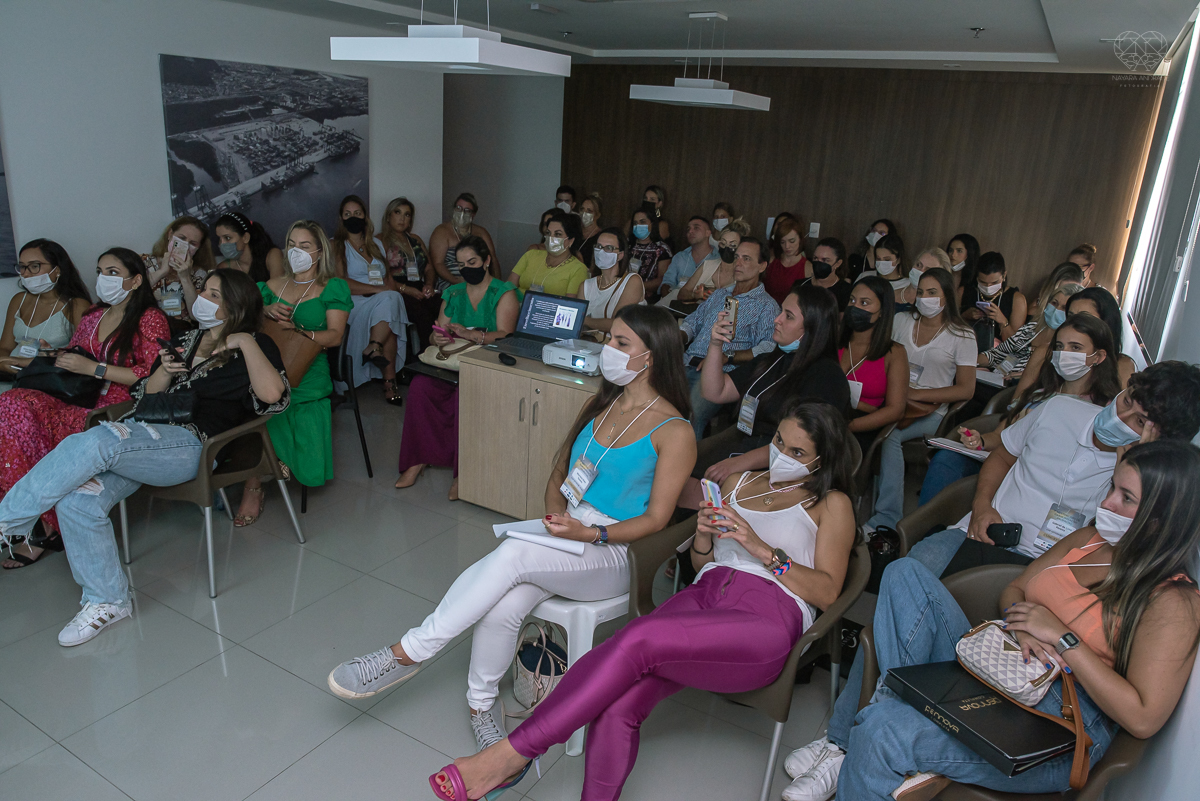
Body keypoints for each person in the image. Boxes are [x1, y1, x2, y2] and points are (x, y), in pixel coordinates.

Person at [437, 400, 857, 801]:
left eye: (796, 450)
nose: (781, 453)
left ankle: (511, 755)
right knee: (618, 701)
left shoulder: (830, 504)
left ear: (821, 461)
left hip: (767, 616)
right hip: (706, 593)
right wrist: (706, 535)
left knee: (635, 641)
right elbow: (701, 559)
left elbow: (827, 592)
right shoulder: (739, 482)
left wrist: (762, 549)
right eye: (779, 441)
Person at [332, 305, 696, 760]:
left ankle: (407, 652)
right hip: (570, 526)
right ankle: (482, 707)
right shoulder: (602, 404)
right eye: (610, 340)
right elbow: (559, 472)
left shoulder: (674, 429)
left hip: (619, 549)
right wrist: (554, 521)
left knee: (513, 557)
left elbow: (658, 520)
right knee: (506, 600)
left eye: (622, 344)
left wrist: (588, 535)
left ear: (652, 357)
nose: (608, 351)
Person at [789, 439, 1200, 801]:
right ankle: (898, 736)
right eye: (1112, 487)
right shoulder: (1088, 539)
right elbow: (1015, 588)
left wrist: (1062, 639)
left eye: (1126, 498)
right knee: (904, 574)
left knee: (882, 730)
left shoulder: (1172, 601)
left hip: (1056, 724)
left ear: (1164, 516)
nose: (1106, 503)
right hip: (1004, 662)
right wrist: (1022, 624)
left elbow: (1143, 717)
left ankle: (876, 737)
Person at [0, 268, 288, 643]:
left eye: (215, 295)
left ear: (237, 306)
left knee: (99, 440)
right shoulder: (186, 339)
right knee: (78, 498)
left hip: (190, 446)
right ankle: (108, 601)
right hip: (145, 438)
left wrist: (244, 342)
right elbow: (146, 395)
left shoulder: (257, 344)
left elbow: (272, 397)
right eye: (205, 290)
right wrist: (165, 373)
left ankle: (8, 520)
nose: (203, 298)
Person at [907, 359, 1200, 580]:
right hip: (984, 533)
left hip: (1054, 570)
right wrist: (982, 506)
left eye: (1138, 422)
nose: (1119, 416)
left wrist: (1134, 468)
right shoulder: (1059, 408)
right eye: (1126, 400)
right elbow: (1002, 457)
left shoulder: (1146, 481)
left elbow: (1122, 547)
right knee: (909, 571)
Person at [0, 247, 170, 569]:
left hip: (114, 409)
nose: (103, 279)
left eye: (113, 273)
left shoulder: (150, 318)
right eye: (100, 271)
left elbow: (152, 376)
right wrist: (48, 356)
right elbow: (74, 356)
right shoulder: (94, 315)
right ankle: (32, 517)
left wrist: (94, 368)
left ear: (135, 281)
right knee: (10, 406)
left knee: (17, 412)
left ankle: (43, 526)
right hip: (77, 396)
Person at [920, 312, 1123, 505]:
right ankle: (928, 530)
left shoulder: (1105, 411)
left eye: (1076, 348)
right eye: (1059, 347)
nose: (1064, 354)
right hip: (1003, 460)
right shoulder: (1040, 394)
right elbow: (1002, 435)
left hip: (1046, 482)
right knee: (946, 460)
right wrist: (979, 441)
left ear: (1099, 356)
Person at [681, 282, 851, 508]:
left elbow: (801, 449)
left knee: (696, 480)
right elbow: (714, 392)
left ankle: (697, 531)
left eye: (788, 316)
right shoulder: (773, 359)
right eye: (781, 311)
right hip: (745, 438)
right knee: (679, 463)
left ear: (811, 328)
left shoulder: (827, 376)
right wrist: (715, 345)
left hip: (781, 460)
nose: (777, 319)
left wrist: (737, 463)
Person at [235, 221, 350, 526]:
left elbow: (335, 336)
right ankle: (261, 476)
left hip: (307, 369)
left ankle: (268, 471)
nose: (296, 251)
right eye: (291, 245)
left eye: (305, 246)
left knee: (284, 402)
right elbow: (244, 324)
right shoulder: (270, 287)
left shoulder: (332, 287)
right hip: (268, 366)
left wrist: (301, 332)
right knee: (251, 400)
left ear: (319, 251)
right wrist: (264, 311)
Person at [394, 237, 518, 500]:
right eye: (461, 265)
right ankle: (419, 458)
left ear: (486, 261)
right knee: (419, 388)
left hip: (486, 363)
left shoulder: (503, 292)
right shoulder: (453, 292)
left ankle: (465, 472)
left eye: (472, 262)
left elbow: (506, 336)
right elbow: (436, 332)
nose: (466, 269)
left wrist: (474, 336)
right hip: (453, 361)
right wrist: (437, 337)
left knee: (467, 396)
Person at [864, 267, 976, 533]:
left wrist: (914, 394)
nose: (924, 298)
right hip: (891, 398)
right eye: (921, 292)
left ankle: (888, 517)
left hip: (929, 411)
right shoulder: (902, 320)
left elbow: (965, 390)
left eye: (932, 293)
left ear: (946, 296)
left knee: (888, 433)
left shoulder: (962, 335)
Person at [679, 237, 780, 438]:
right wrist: (676, 338)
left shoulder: (766, 306)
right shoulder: (719, 295)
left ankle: (686, 464)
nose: (739, 263)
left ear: (762, 266)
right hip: (686, 361)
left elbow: (768, 347)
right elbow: (693, 321)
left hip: (720, 373)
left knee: (691, 413)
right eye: (737, 257)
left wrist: (728, 356)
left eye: (747, 259)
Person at [332, 195, 409, 401]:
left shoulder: (376, 243)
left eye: (357, 213)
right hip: (354, 301)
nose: (353, 217)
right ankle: (389, 383)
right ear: (341, 218)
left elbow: (388, 280)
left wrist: (388, 292)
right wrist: (378, 291)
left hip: (382, 299)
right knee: (389, 305)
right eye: (347, 214)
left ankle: (374, 346)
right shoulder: (337, 245)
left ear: (365, 216)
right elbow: (341, 283)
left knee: (391, 306)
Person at [1017, 286, 1136, 396]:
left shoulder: (1122, 365)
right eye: (1070, 316)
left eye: (1084, 318)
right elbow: (1016, 404)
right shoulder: (1044, 353)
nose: (1074, 324)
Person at [0, 239, 92, 379]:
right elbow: (5, 347)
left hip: (50, 379)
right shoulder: (19, 300)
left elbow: (83, 356)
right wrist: (3, 363)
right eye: (22, 267)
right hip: (11, 375)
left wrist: (25, 363)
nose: (26, 273)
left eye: (34, 266)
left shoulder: (77, 305)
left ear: (57, 270)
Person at [839, 276, 908, 454]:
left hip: (863, 425)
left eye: (864, 303)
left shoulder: (895, 353)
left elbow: (896, 410)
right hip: (827, 414)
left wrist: (849, 426)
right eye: (852, 300)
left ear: (882, 311)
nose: (855, 307)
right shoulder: (834, 341)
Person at [979, 262, 1084, 378]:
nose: (1056, 310)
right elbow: (995, 355)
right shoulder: (1030, 329)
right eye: (1054, 303)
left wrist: (1026, 377)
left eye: (1064, 308)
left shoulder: (1069, 347)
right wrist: (968, 363)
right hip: (996, 379)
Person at [380, 196, 439, 364]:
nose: (402, 218)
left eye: (407, 214)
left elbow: (428, 268)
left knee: (443, 305)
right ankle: (424, 358)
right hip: (395, 289)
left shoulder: (415, 239)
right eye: (397, 212)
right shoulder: (380, 240)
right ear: (389, 216)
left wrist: (428, 284)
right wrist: (406, 289)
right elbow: (381, 276)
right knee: (421, 313)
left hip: (419, 286)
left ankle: (444, 353)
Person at [142, 215, 216, 331]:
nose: (185, 245)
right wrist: (161, 272)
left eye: (193, 243)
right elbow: (130, 296)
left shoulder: (199, 274)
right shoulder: (145, 263)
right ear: (170, 234)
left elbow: (195, 316)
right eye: (181, 238)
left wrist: (185, 278)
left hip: (180, 333)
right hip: (144, 329)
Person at [578, 228, 645, 333]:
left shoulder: (632, 281)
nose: (601, 251)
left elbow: (618, 324)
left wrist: (584, 320)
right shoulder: (586, 285)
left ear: (620, 255)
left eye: (609, 248)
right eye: (598, 246)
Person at [429, 193, 501, 288]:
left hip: (480, 281)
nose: (462, 213)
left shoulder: (481, 232)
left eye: (467, 210)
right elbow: (438, 263)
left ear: (473, 214)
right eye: (459, 208)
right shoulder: (441, 231)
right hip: (451, 283)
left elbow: (493, 259)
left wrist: (497, 286)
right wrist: (456, 281)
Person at [510, 210, 589, 296]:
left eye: (557, 234)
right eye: (548, 233)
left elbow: (569, 305)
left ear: (571, 241)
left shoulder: (578, 269)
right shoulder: (531, 255)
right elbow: (509, 287)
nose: (551, 238)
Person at [676, 219, 750, 305]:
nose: (726, 248)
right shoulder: (707, 265)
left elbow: (746, 304)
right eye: (723, 243)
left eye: (732, 245)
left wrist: (718, 295)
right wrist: (696, 295)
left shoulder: (744, 274)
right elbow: (682, 293)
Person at [961, 251, 1027, 342]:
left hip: (997, 351)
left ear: (1004, 276)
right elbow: (949, 324)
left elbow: (1015, 344)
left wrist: (1003, 321)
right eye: (983, 282)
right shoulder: (964, 291)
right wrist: (965, 316)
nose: (988, 286)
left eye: (994, 282)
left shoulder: (1017, 299)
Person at [212, 211, 284, 282]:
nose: (222, 243)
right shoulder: (223, 268)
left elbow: (277, 290)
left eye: (227, 238)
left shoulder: (272, 255)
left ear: (245, 238)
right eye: (219, 239)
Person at [659, 216, 717, 303]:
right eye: (688, 229)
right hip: (674, 304)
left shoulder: (717, 258)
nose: (690, 231)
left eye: (696, 228)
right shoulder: (679, 257)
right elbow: (666, 283)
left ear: (708, 233)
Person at [628, 203, 673, 299]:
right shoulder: (627, 245)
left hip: (648, 299)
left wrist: (638, 287)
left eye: (642, 222)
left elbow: (663, 279)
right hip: (623, 294)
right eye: (635, 223)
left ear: (652, 224)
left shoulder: (662, 249)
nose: (638, 225)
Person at [763, 216, 809, 305]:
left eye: (792, 241)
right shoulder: (771, 261)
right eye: (782, 242)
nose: (787, 246)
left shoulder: (807, 268)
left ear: (800, 239)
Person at [799, 237, 852, 310]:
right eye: (815, 258)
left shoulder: (845, 291)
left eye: (825, 260)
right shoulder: (800, 285)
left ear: (838, 263)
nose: (819, 263)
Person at [864, 234, 911, 311]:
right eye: (878, 259)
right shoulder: (866, 277)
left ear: (898, 259)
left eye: (887, 259)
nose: (882, 263)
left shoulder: (908, 284)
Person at [577, 192, 603, 269]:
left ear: (597, 215)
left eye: (589, 211)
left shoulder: (600, 237)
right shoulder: (575, 231)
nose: (584, 213)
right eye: (582, 209)